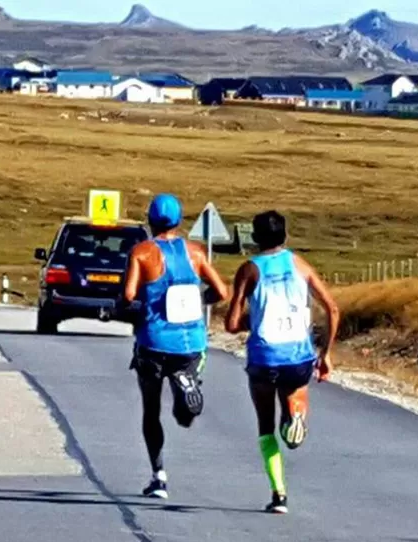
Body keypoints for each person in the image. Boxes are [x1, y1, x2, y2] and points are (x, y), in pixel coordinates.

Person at [224, 210, 340, 515]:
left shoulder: (249, 270)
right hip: (298, 355)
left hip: (264, 357)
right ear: (285, 236)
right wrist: (326, 353)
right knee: (294, 394)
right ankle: (295, 417)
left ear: (255, 238)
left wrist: (256, 318)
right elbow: (332, 308)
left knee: (265, 426)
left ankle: (279, 494)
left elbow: (232, 324)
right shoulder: (299, 264)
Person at [123, 193, 230, 500]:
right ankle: (186, 382)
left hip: (154, 341)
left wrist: (129, 309)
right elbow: (221, 291)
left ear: (149, 220)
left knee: (151, 410)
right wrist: (198, 300)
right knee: (184, 416)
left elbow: (129, 296)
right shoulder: (195, 252)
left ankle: (159, 476)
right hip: (191, 341)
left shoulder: (141, 253)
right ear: (180, 220)